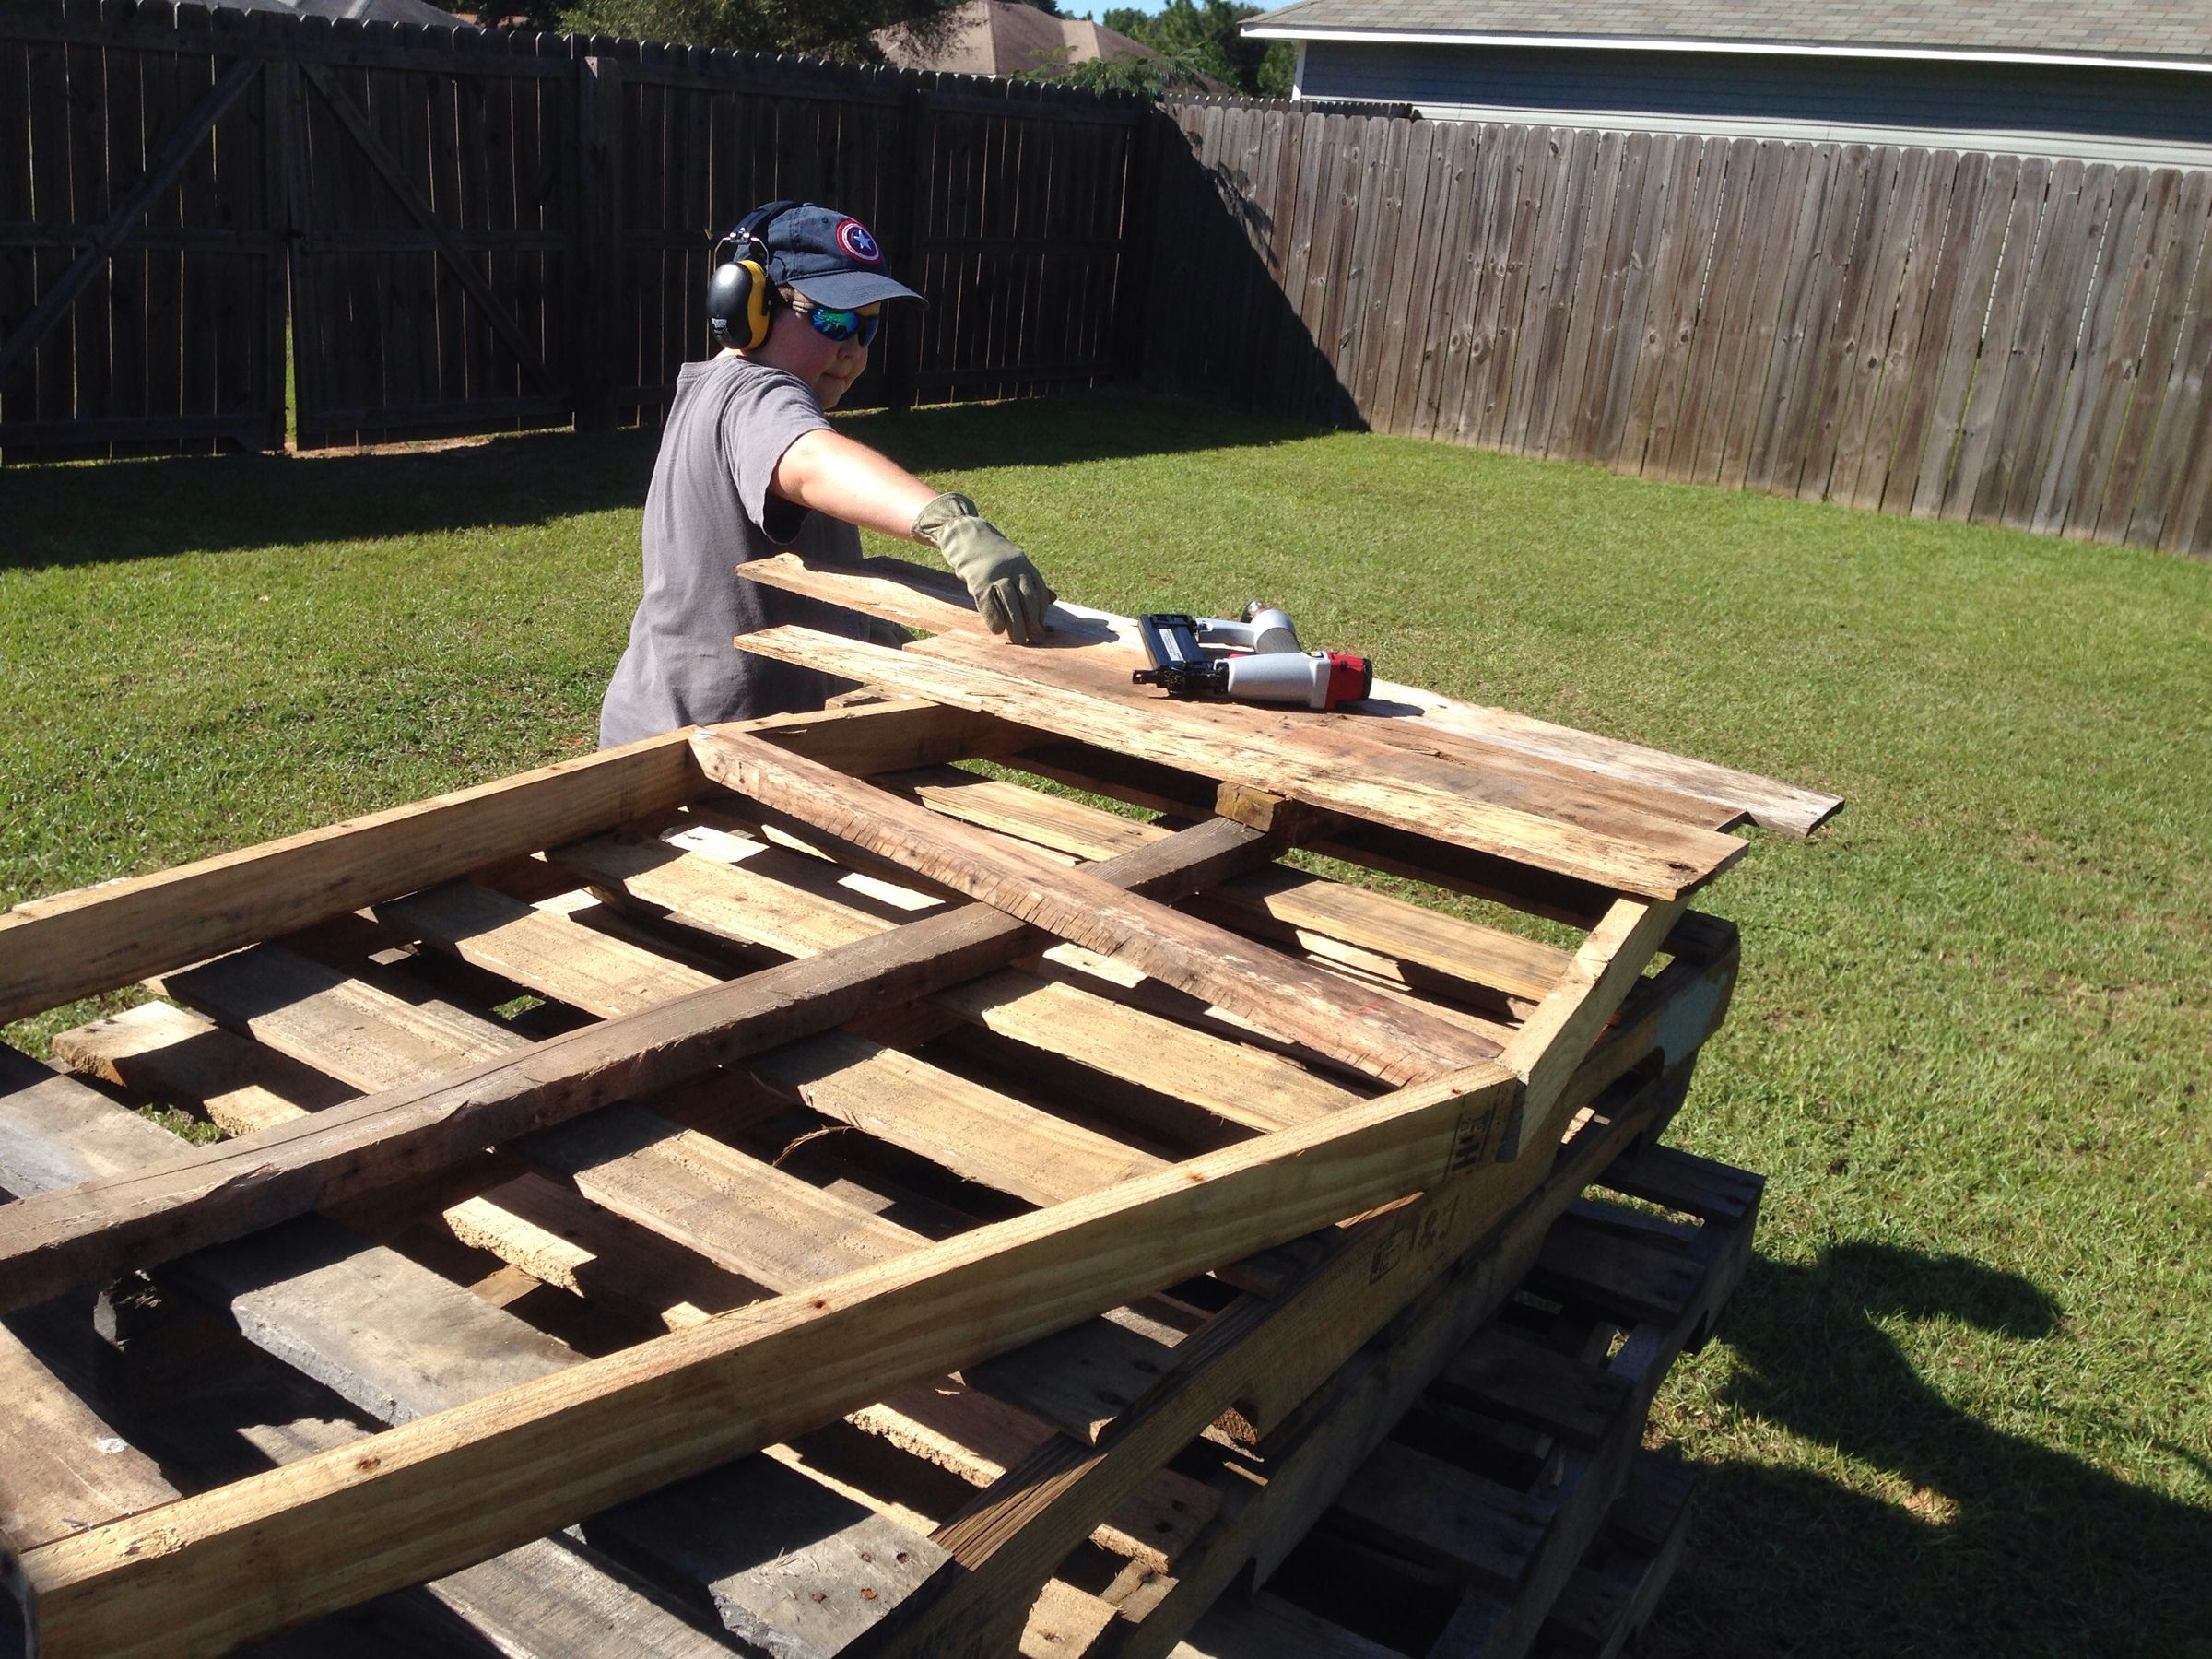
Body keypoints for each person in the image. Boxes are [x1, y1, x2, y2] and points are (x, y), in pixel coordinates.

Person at [598, 199, 1053, 748]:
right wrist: (949, 523)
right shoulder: (756, 391)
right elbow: (810, 461)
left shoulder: (714, 387)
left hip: (705, 724)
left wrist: (861, 627)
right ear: (748, 306)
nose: (851, 350)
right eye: (831, 319)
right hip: (702, 752)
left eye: (868, 329)